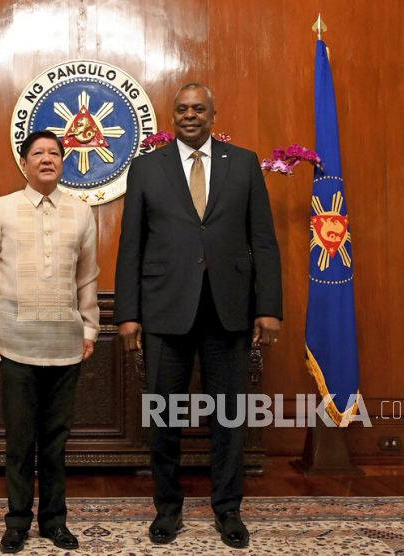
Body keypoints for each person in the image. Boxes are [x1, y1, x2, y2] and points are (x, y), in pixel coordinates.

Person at [114, 83, 282, 549]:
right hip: (164, 311)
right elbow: (132, 246)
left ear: (213, 114)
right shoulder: (147, 167)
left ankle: (228, 510)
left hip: (228, 312)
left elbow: (263, 240)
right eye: (182, 109)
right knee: (163, 416)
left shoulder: (244, 163)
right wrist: (128, 314)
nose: (190, 115)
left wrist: (268, 308)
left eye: (198, 109)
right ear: (173, 116)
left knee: (228, 418)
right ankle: (167, 509)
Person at [0, 130, 100, 553]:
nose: (47, 159)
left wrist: (90, 329)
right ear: (24, 163)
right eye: (38, 153)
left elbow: (88, 278)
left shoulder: (82, 213)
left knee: (56, 441)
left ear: (63, 162)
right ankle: (17, 522)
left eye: (54, 153)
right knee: (20, 439)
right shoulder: (1, 209)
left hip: (65, 344)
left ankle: (54, 522)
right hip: (14, 342)